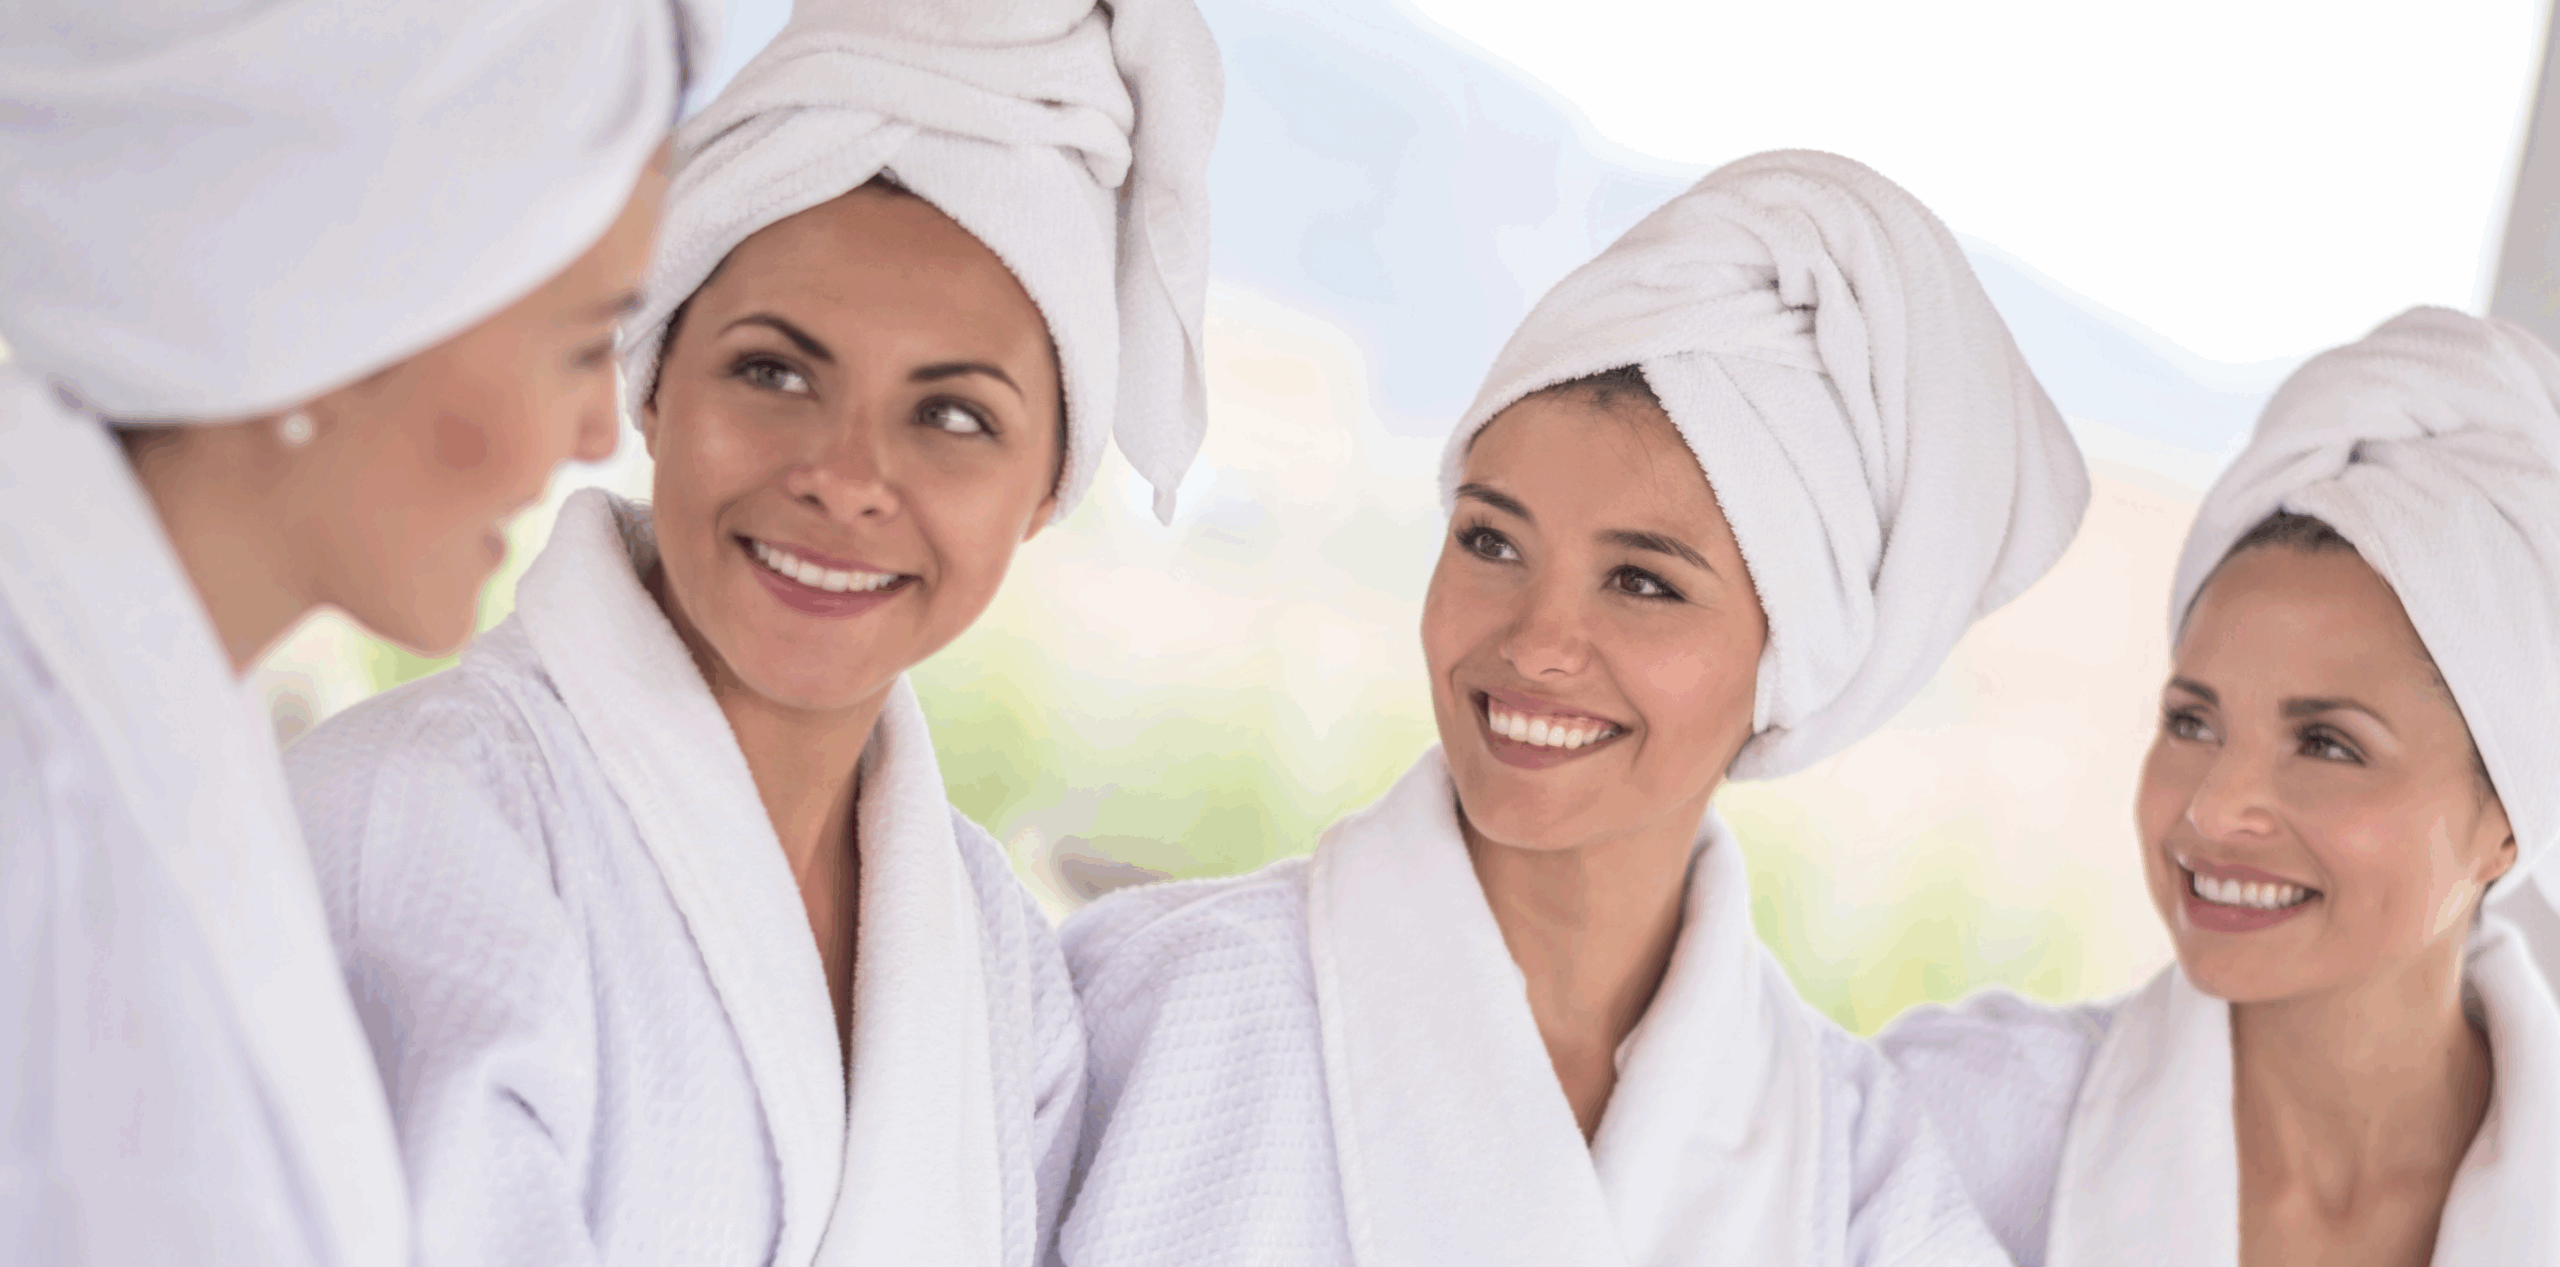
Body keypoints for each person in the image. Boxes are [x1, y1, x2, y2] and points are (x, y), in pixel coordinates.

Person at [281, 2, 1220, 1263]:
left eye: (952, 417)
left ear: (1045, 488)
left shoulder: (992, 960)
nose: (845, 476)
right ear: (654, 382)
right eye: (774, 372)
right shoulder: (409, 815)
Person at [1058, 149, 2090, 1267]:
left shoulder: (1856, 1167)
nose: (1536, 645)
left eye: (1642, 582)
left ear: (1793, 657)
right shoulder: (1158, 1001)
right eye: (1491, 542)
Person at [0, 2, 699, 1262]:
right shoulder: (36, 787)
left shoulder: (158, 740)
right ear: (346, 310)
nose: (604, 431)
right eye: (583, 346)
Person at [1881, 306, 2560, 1267]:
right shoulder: (1946, 1130)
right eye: (2193, 722)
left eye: (2326, 743)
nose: (2212, 808)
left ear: (2507, 822)